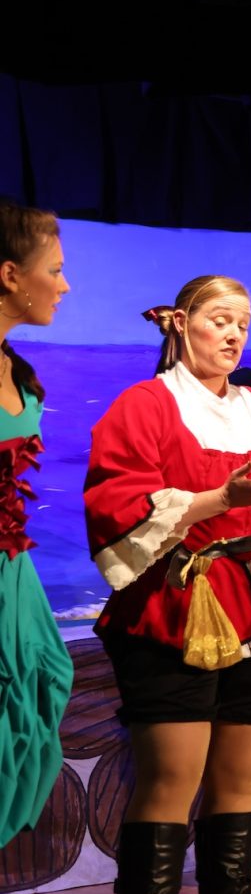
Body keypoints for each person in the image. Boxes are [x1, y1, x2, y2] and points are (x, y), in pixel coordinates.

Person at [84, 274, 251, 894]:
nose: (233, 335)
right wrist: (221, 498)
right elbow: (117, 503)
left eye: (242, 324)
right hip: (174, 604)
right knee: (171, 781)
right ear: (179, 323)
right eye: (219, 319)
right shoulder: (144, 406)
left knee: (240, 782)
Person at [0, 200, 73, 850]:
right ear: (9, 275)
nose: (65, 285)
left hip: (13, 569)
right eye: (54, 269)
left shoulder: (17, 370)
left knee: (42, 685)